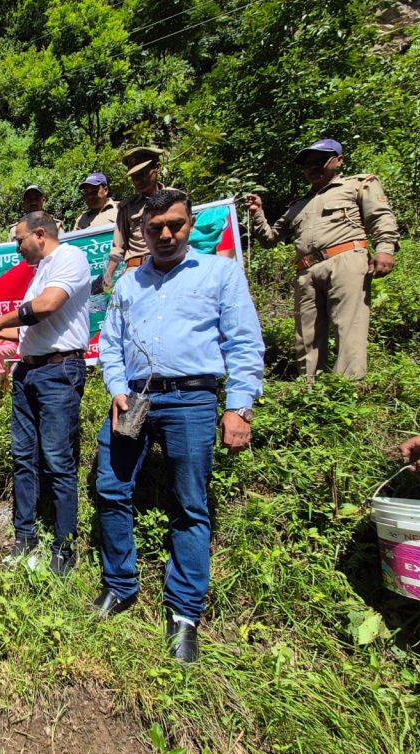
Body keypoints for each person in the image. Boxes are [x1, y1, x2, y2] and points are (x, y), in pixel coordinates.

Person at [90, 189, 264, 664]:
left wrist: (239, 407)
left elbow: (244, 342)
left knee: (189, 503)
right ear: (142, 232)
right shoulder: (128, 284)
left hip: (192, 398)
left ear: (190, 225)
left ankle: (184, 613)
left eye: (175, 225)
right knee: (110, 488)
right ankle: (120, 585)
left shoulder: (219, 273)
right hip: (133, 398)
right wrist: (116, 387)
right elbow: (111, 344)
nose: (165, 234)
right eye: (155, 228)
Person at [0, 211, 91, 576]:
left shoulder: (69, 257)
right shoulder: (40, 270)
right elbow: (33, 328)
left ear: (39, 234)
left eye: (19, 240)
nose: (17, 248)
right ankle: (25, 538)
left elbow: (45, 307)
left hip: (58, 372)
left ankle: (64, 546)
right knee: (24, 457)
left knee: (57, 460)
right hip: (28, 371)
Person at [246, 138, 399, 380]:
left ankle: (348, 388)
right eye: (308, 165)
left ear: (339, 161)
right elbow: (269, 238)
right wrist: (257, 213)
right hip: (306, 271)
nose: (313, 168)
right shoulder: (298, 205)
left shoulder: (357, 185)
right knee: (306, 334)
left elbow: (380, 217)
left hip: (345, 260)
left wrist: (385, 249)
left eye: (320, 161)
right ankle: (310, 390)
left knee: (348, 327)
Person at [97, 146, 171, 293]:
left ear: (157, 167)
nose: (137, 181)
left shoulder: (176, 199)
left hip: (171, 267)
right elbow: (118, 248)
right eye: (133, 177)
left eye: (142, 174)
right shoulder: (127, 208)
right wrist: (107, 278)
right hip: (137, 271)